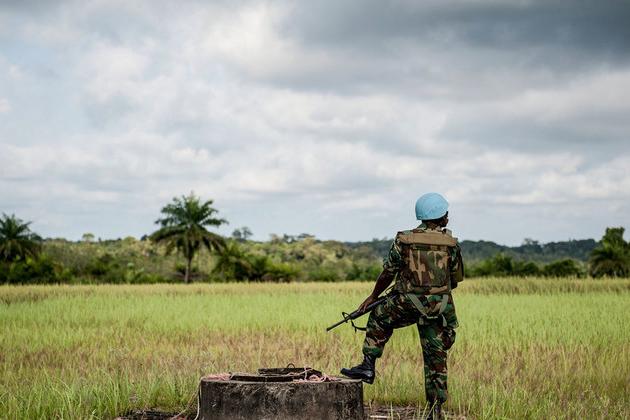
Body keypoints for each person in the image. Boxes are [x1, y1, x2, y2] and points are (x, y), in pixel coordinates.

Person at [340, 193, 464, 420]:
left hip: (406, 303)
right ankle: (435, 412)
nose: (448, 216)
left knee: (379, 315)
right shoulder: (451, 244)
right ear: (441, 217)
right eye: (446, 213)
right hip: (439, 307)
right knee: (436, 357)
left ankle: (368, 365)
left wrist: (373, 296)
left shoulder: (404, 239)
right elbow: (455, 279)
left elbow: (388, 272)